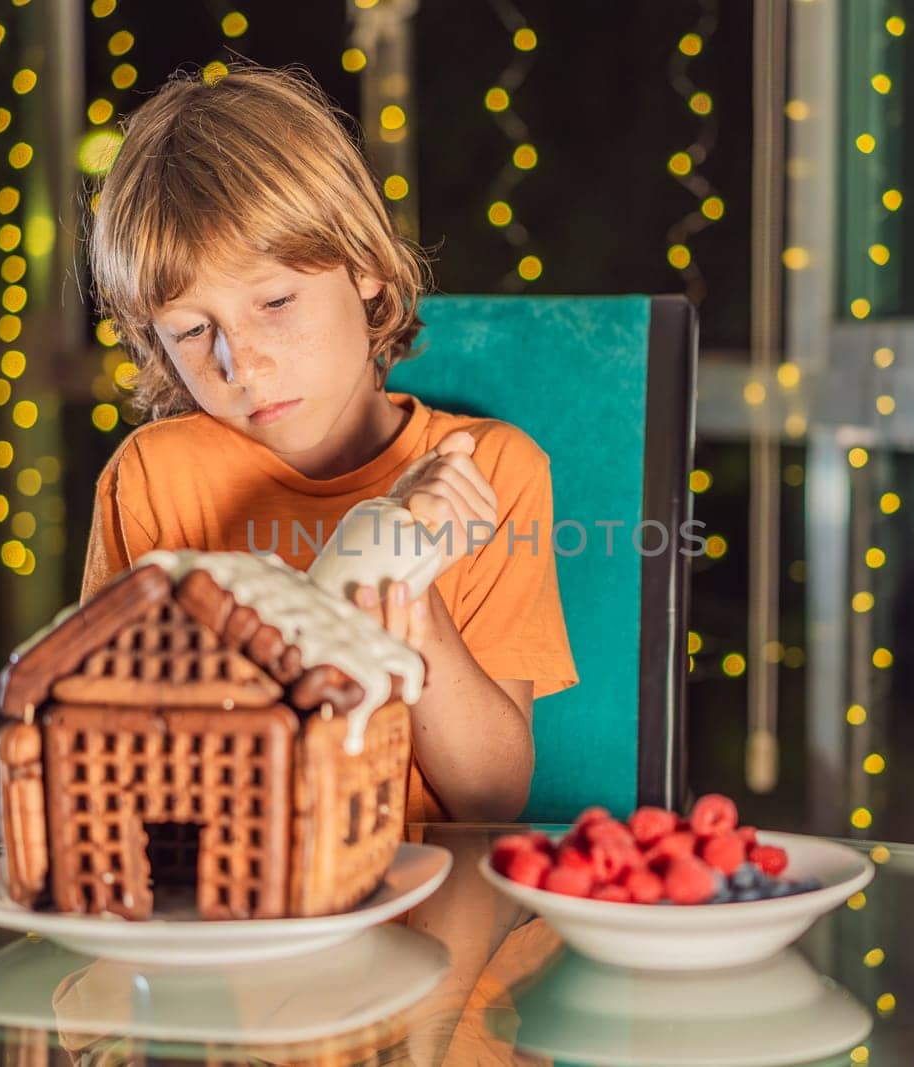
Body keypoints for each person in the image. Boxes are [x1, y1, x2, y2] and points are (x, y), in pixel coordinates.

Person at [81, 63, 577, 822]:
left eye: (276, 301)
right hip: (222, 904)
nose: (241, 364)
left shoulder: (490, 473)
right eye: (191, 329)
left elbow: (489, 797)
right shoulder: (153, 478)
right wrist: (352, 560)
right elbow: (108, 757)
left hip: (428, 904)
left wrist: (406, 585)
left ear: (369, 267)